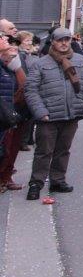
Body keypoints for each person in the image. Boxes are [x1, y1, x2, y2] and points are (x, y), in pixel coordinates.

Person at [24, 27, 83, 200]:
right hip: (48, 116)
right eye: (60, 40)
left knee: (63, 150)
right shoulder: (41, 63)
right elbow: (31, 89)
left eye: (67, 39)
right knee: (43, 151)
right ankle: (36, 183)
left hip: (72, 114)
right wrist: (40, 111)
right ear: (53, 42)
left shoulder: (80, 60)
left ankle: (58, 180)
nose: (64, 43)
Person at [0, 38, 27, 192]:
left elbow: (23, 86)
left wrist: (16, 68)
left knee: (9, 149)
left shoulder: (12, 64)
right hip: (5, 114)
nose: (7, 40)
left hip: (12, 113)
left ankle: (5, 177)